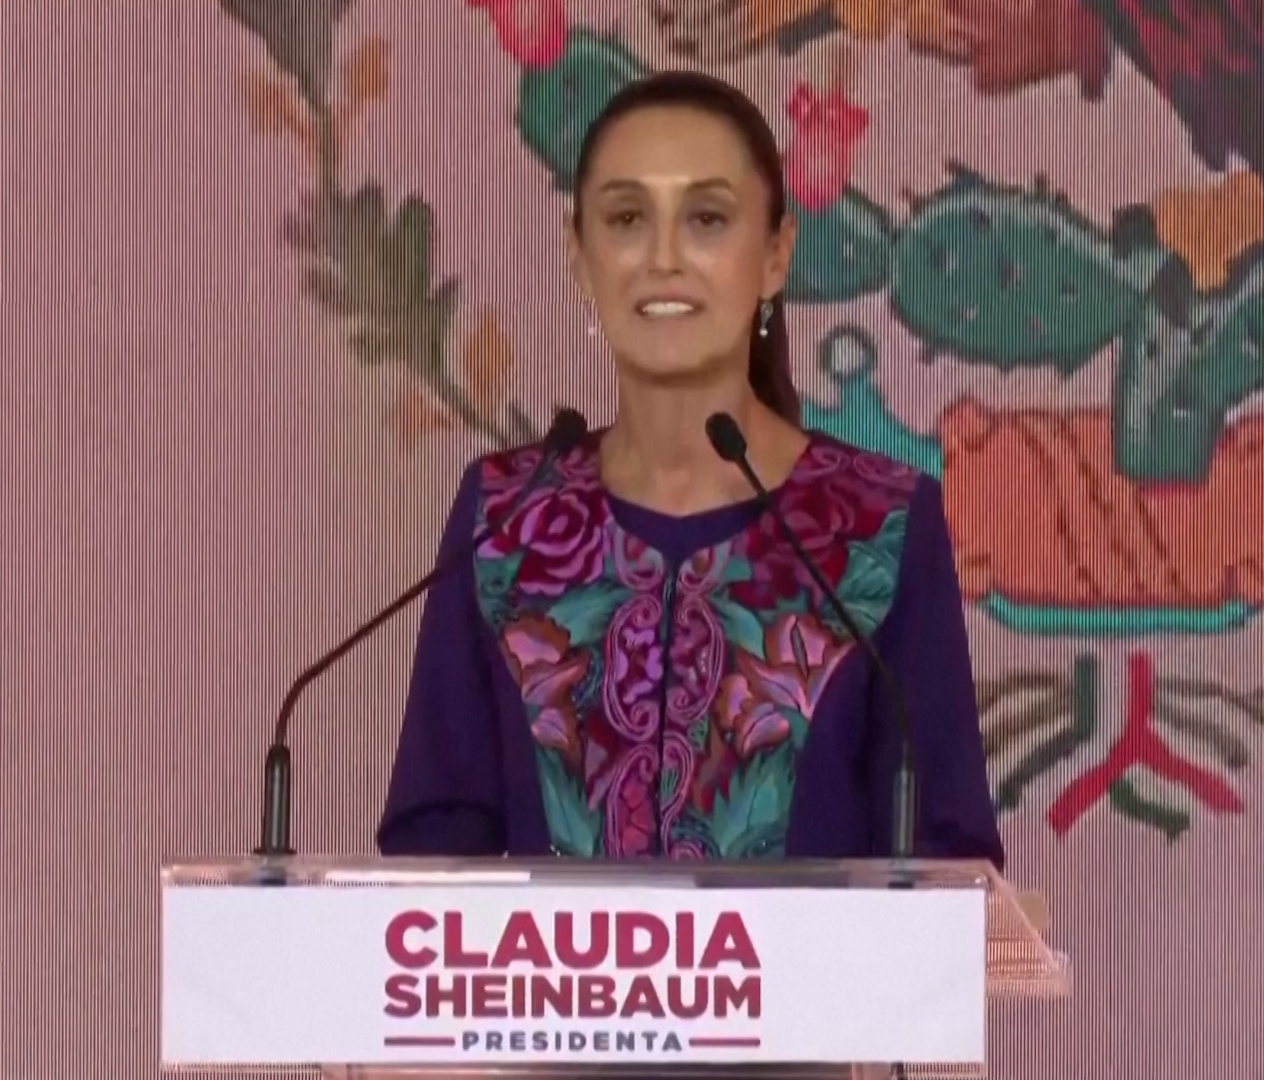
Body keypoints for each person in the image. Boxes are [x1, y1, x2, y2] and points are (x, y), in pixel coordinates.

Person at [375, 70, 1003, 867]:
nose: (664, 257)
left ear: (775, 256)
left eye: (706, 218)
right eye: (627, 218)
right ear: (579, 257)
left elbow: (947, 865)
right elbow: (432, 853)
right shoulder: (506, 519)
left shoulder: (878, 523)